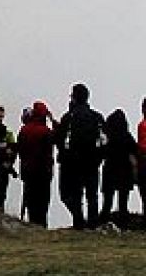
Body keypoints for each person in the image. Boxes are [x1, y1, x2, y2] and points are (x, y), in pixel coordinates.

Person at [56, 83, 105, 228]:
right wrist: (98, 158)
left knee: (75, 195)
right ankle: (93, 224)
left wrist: (65, 157)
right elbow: (104, 140)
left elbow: (59, 139)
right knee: (92, 195)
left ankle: (79, 222)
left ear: (74, 98)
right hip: (91, 163)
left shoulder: (68, 118)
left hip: (73, 163)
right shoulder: (96, 117)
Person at [18, 101, 57, 227]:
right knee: (42, 202)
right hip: (44, 172)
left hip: (28, 171)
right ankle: (42, 226)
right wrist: (53, 120)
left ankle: (32, 224)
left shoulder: (24, 130)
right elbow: (59, 137)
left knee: (31, 201)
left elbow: (20, 149)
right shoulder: (46, 131)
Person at [100, 108, 137, 226]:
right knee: (123, 202)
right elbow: (135, 151)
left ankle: (103, 222)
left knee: (107, 202)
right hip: (125, 171)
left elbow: (102, 153)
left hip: (110, 170)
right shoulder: (127, 137)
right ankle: (123, 223)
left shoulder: (109, 138)